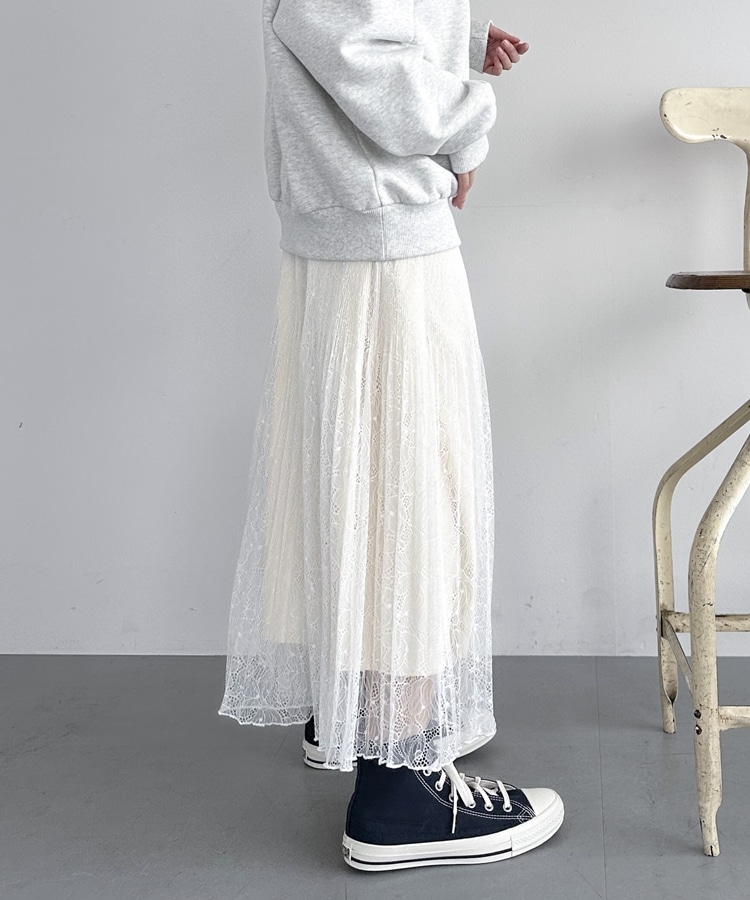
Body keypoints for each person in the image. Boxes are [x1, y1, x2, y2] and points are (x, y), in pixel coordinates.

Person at [218, 0, 564, 870]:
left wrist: (453, 36)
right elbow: (355, 44)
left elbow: (348, 21)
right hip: (382, 224)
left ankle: (355, 713)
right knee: (412, 500)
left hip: (355, 216)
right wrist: (467, 120)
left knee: (367, 484)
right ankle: (397, 791)